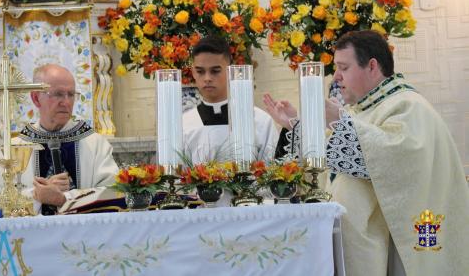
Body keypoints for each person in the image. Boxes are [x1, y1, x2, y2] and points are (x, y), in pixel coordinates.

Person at [265, 30, 469, 276]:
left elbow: (394, 161)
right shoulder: (363, 110)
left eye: (343, 67)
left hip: (403, 245)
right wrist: (297, 125)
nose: (337, 77)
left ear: (372, 66)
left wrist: (339, 119)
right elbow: (337, 163)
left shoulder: (408, 106)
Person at [0, 64, 119, 218]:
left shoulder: (95, 144)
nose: (66, 102)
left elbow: (114, 194)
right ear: (36, 98)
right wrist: (36, 196)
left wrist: (64, 199)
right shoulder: (13, 150)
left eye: (71, 94)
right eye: (58, 94)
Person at [182, 35, 278, 164]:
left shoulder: (260, 121)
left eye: (215, 71)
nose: (207, 78)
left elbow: (274, 174)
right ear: (193, 72)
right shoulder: (183, 125)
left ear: (230, 71)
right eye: (200, 71)